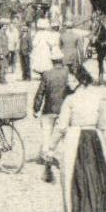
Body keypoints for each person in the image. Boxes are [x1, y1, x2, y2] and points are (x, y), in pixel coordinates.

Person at [48, 64, 106, 212]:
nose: (69, 82)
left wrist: (51, 146)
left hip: (76, 138)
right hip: (94, 139)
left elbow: (61, 126)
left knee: (76, 178)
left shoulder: (70, 100)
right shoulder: (97, 96)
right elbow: (103, 122)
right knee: (95, 177)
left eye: (72, 79)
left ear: (80, 80)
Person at [32, 53, 73, 182]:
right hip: (64, 109)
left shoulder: (46, 74)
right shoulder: (68, 73)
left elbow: (40, 93)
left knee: (46, 132)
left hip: (49, 108)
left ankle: (46, 155)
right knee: (62, 134)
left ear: (52, 61)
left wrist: (36, 108)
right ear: (62, 61)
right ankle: (61, 157)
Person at [91, 14, 106, 82]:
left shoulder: (105, 27)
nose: (98, 21)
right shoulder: (98, 27)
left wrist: (103, 43)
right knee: (100, 62)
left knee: (105, 61)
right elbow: (94, 35)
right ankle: (101, 78)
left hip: (104, 47)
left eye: (98, 20)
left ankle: (105, 77)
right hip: (99, 47)